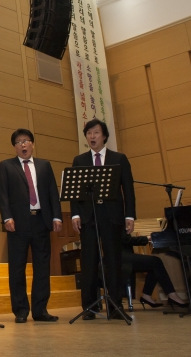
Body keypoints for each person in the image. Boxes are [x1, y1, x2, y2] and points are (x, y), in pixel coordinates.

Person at [71, 118, 136, 320]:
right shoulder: (79, 160)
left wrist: (130, 215)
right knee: (88, 261)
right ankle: (89, 307)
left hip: (112, 215)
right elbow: (74, 191)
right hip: (88, 216)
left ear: (104, 136)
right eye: (89, 133)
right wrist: (75, 214)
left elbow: (128, 189)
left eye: (96, 132)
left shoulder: (119, 158)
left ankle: (115, 305)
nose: (92, 136)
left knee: (114, 260)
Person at [0, 128, 63, 323]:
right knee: (17, 268)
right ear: (15, 147)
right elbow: (3, 195)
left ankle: (40, 310)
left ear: (32, 144)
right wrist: (7, 217)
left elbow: (52, 192)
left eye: (26, 141)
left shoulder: (44, 165)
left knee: (42, 267)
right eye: (19, 142)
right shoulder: (6, 166)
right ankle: (21, 311)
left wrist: (57, 217)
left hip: (41, 220)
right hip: (18, 224)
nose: (23, 145)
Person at [121, 231, 188, 309]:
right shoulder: (116, 224)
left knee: (154, 264)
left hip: (122, 255)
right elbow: (124, 240)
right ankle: (172, 295)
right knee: (155, 261)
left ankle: (147, 295)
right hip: (120, 257)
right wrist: (147, 238)